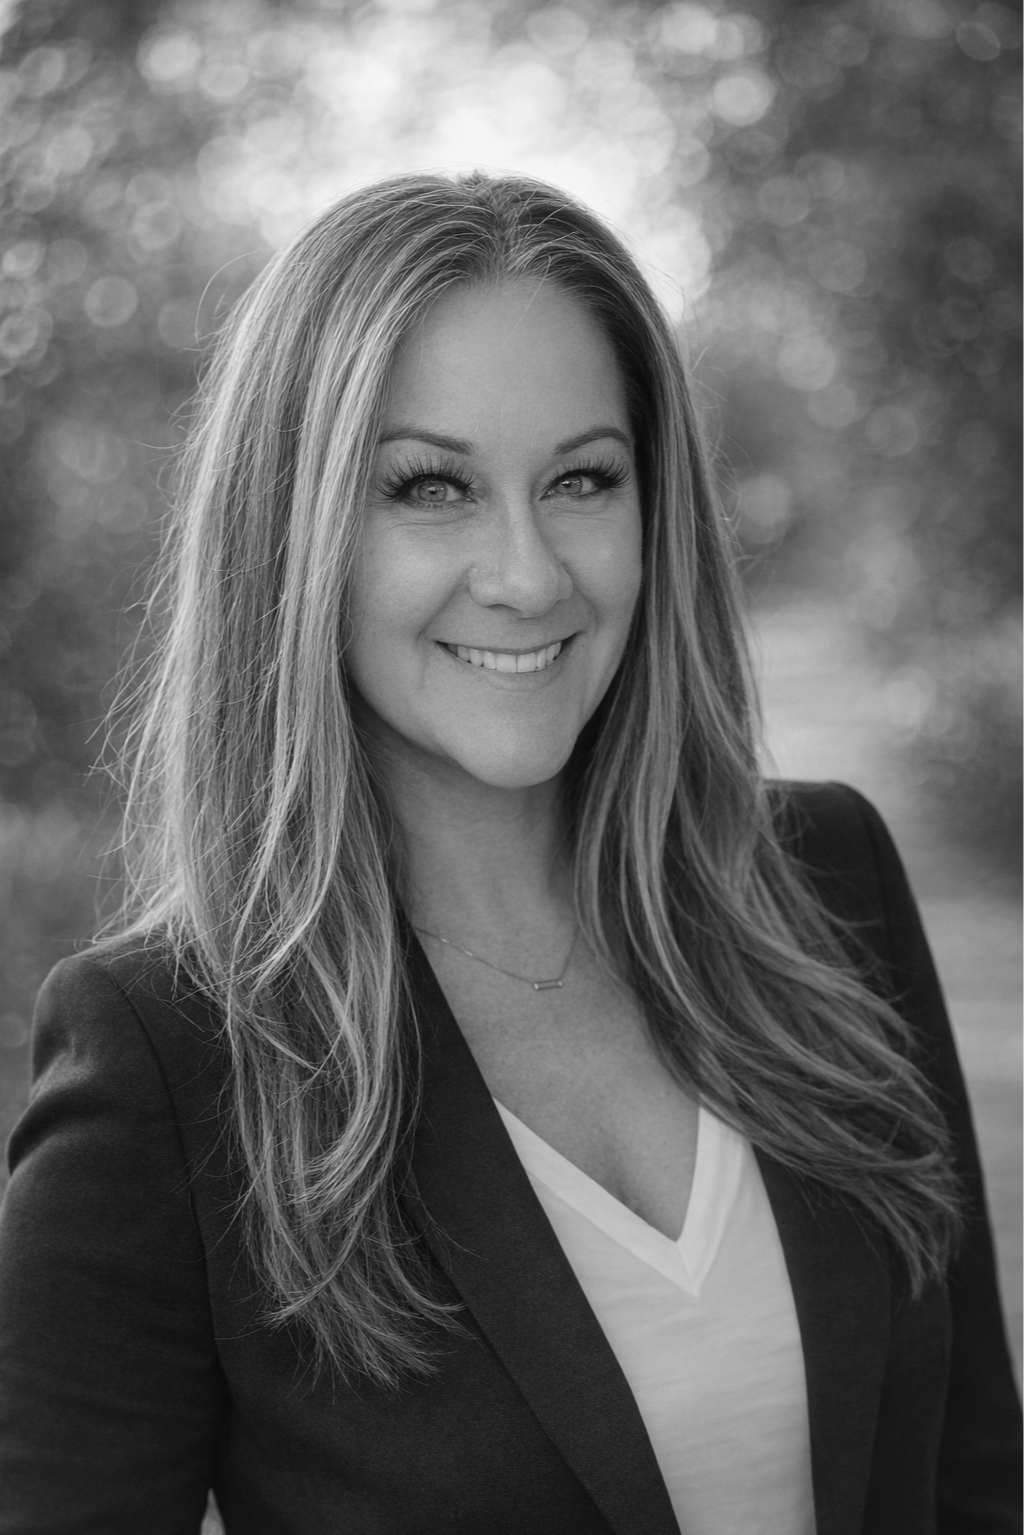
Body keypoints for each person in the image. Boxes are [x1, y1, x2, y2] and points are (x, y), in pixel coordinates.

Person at [0, 171, 1021, 1535]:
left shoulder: (825, 884)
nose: (529, 574)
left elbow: (971, 1473)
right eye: (432, 487)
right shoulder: (172, 1056)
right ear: (293, 534)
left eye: (582, 479)